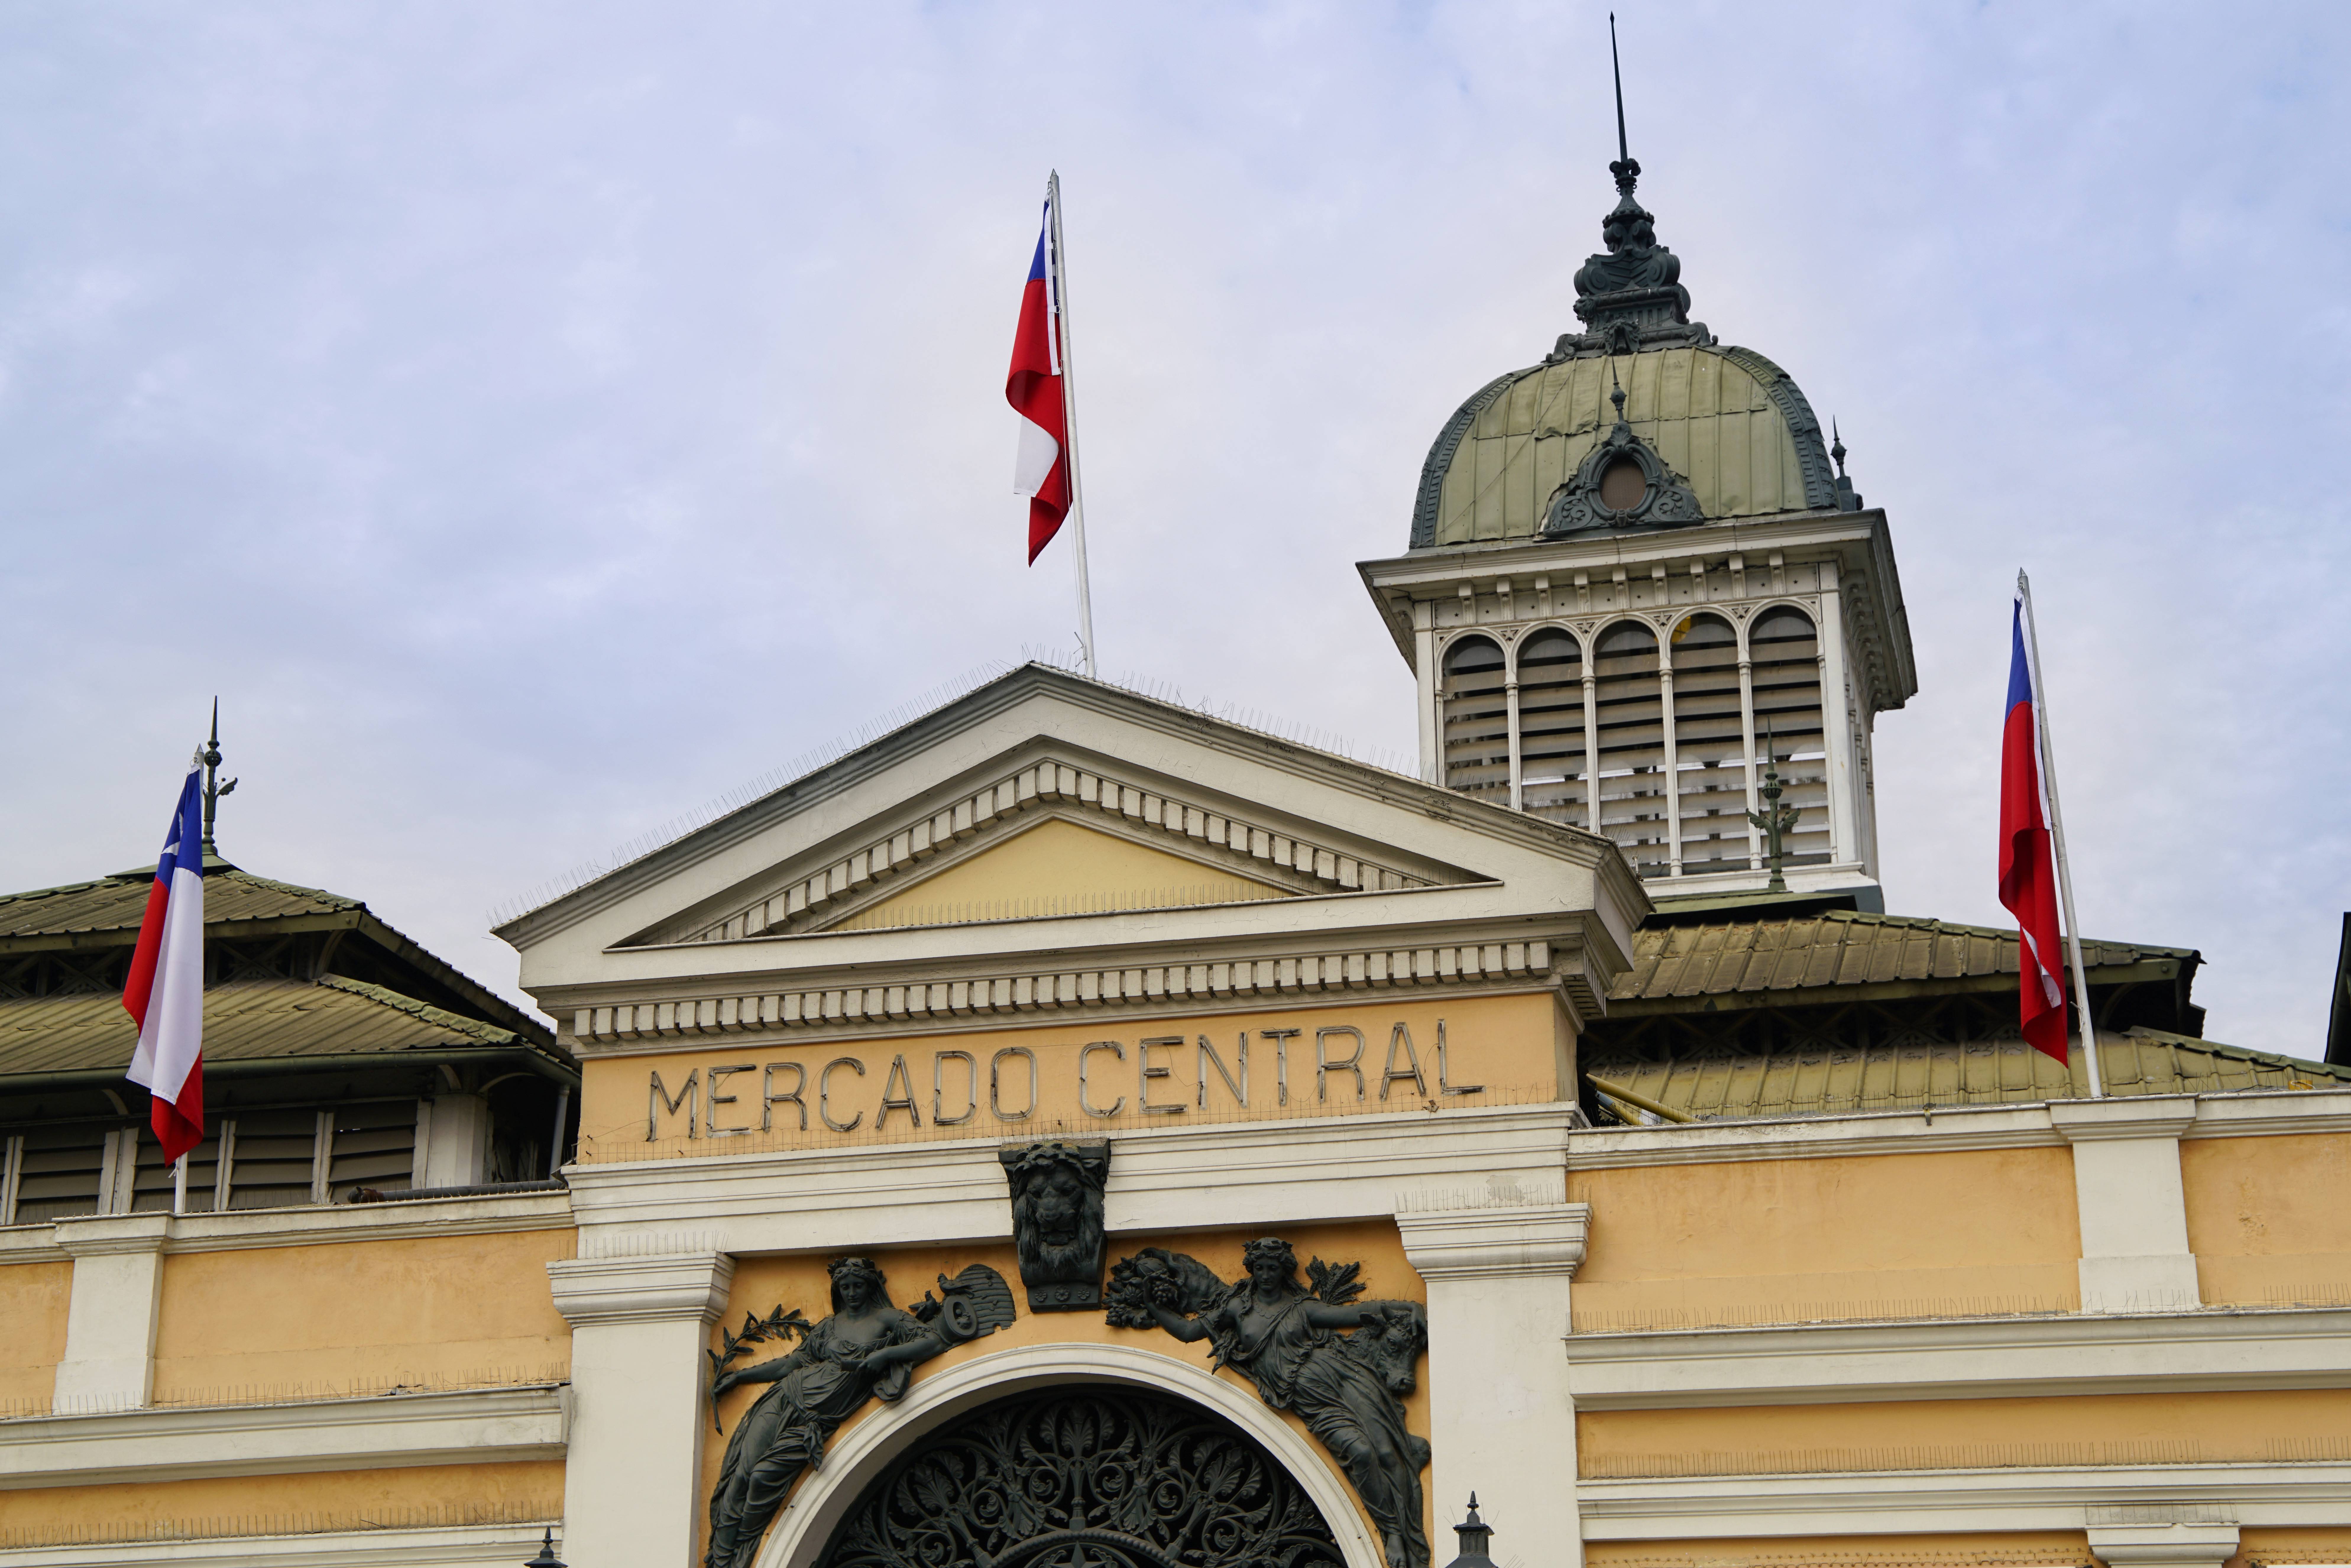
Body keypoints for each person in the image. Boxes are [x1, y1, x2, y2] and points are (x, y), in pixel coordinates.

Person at [1140, 1237, 1431, 1568]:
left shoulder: (1300, 1308)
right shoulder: (1237, 1309)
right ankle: (1392, 1529)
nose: (1265, 1275)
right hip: (1312, 1402)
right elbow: (1190, 1332)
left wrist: (1409, 1308)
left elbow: (1351, 1314)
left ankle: (1402, 1532)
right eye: (1260, 1268)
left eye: (1273, 1268)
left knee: (1387, 1453)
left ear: (1283, 1271)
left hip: (1347, 1380)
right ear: (1251, 1269)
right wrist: (1155, 1307)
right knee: (1361, 1453)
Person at [704, 1257, 945, 1568]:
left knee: (762, 1478)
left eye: (858, 1286)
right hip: (784, 1398)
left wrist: (886, 1354)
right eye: (845, 1287)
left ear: (870, 1286)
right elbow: (791, 1364)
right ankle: (721, 1559)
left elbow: (933, 1341)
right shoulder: (828, 1327)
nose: (852, 1293)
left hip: (814, 1422)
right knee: (741, 1476)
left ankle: (740, 1552)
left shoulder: (888, 1319)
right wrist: (741, 1376)